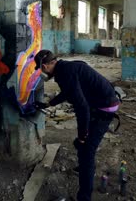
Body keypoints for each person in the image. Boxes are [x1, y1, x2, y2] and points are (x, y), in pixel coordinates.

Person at [33, 50, 120, 201]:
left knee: (86, 149)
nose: (42, 71)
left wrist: (82, 135)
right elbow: (68, 92)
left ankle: (84, 197)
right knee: (80, 144)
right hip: (102, 103)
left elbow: (82, 109)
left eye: (41, 68)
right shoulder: (65, 68)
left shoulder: (64, 73)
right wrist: (49, 103)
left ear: (47, 65)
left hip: (104, 109)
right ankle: (84, 167)